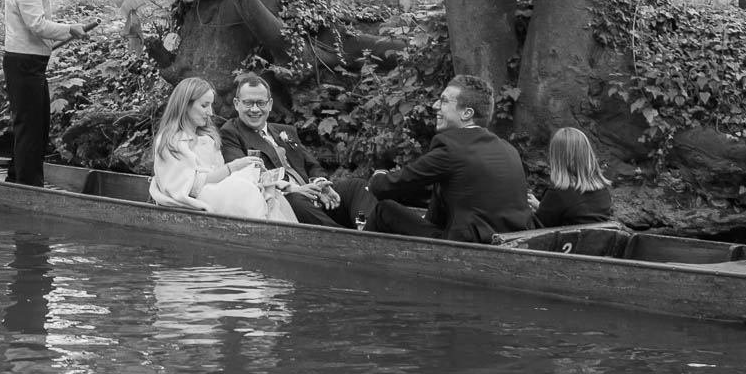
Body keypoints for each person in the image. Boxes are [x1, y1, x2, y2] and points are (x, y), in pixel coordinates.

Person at [363, 74, 533, 241]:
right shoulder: (509, 149)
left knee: (384, 211)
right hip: (512, 246)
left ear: (466, 113)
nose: (435, 105)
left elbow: (385, 187)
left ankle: (357, 265)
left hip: (468, 249)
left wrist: (379, 174)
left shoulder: (452, 148)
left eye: (444, 101)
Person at [2, 0, 98, 186]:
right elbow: (38, 25)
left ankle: (17, 178)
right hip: (24, 64)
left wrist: (68, 29)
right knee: (31, 127)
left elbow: (37, 26)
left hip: (30, 62)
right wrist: (70, 29)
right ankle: (27, 185)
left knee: (36, 125)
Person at [218, 73, 373, 228]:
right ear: (236, 104)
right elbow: (245, 176)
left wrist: (321, 184)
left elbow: (311, 165)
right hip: (284, 202)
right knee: (294, 200)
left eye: (260, 103)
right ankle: (349, 242)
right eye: (248, 103)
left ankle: (368, 232)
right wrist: (296, 190)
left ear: (270, 104)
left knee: (356, 186)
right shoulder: (231, 133)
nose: (254, 109)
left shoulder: (285, 131)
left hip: (313, 197)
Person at [148, 77, 294, 222]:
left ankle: (288, 237)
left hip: (215, 191)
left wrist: (248, 170)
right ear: (186, 106)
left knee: (270, 192)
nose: (210, 112)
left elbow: (220, 174)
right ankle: (261, 234)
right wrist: (232, 167)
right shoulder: (172, 141)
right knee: (244, 190)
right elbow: (188, 187)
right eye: (204, 106)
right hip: (195, 199)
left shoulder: (207, 138)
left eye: (211, 106)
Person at [534, 127, 615, 227]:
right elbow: (580, 214)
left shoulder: (558, 194)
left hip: (570, 242)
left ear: (557, 159)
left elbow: (539, 227)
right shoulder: (603, 191)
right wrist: (541, 206)